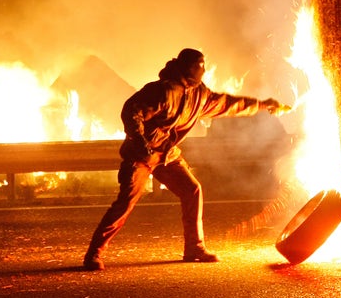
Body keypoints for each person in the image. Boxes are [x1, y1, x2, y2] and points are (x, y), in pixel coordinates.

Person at [83, 48, 290, 270]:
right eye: (200, 64)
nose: (204, 68)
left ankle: (194, 248)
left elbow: (229, 104)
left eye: (204, 64)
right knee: (125, 203)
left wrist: (263, 105)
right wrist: (141, 142)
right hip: (141, 156)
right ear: (188, 67)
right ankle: (94, 253)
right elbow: (131, 112)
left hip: (167, 155)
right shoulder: (162, 91)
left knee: (192, 190)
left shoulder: (200, 95)